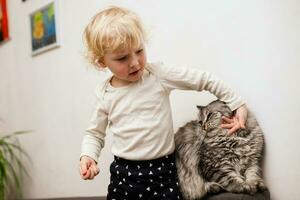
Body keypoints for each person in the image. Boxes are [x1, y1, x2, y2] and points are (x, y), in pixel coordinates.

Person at [79, 6, 248, 200]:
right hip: (124, 176)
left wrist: (236, 103)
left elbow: (203, 79)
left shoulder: (157, 76)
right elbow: (94, 133)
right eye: (122, 58)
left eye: (139, 51)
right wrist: (88, 156)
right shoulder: (104, 94)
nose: (135, 62)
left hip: (163, 173)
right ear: (102, 62)